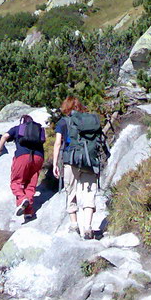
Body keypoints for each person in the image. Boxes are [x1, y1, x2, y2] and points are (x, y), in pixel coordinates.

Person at [53, 96, 103, 240]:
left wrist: (55, 164)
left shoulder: (63, 122)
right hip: (89, 160)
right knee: (89, 192)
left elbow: (57, 143)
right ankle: (87, 227)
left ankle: (74, 225)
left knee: (71, 191)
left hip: (71, 160)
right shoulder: (91, 120)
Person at [0, 114, 46, 218]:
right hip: (38, 157)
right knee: (31, 184)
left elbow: (4, 136)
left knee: (16, 182)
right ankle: (28, 212)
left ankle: (22, 199)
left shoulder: (17, 128)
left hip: (22, 156)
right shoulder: (39, 129)